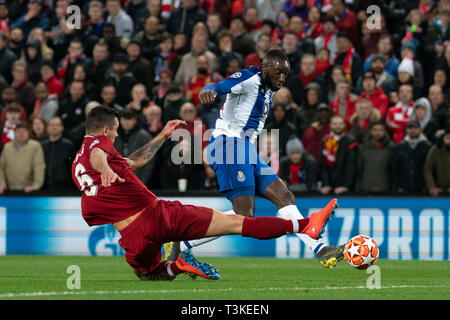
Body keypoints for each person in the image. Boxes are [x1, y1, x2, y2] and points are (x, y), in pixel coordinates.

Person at [71, 106, 339, 280]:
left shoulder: (77, 164)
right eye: (115, 131)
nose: (115, 137)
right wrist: (105, 167)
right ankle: (306, 225)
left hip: (132, 238)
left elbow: (133, 161)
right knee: (239, 221)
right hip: (160, 217)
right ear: (106, 129)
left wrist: (162, 137)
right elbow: (98, 155)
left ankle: (178, 265)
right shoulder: (99, 145)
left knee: (150, 274)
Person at [184, 50, 345, 269]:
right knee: (244, 215)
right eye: (278, 73)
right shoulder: (251, 77)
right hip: (228, 145)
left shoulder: (268, 89)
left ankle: (320, 249)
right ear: (265, 68)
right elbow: (223, 85)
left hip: (246, 149)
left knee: (284, 195)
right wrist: (209, 89)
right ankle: (182, 243)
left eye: (285, 75)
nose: (281, 78)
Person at [0, 122, 45, 194]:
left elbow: (39, 166)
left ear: (28, 133)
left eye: (24, 131)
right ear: (14, 133)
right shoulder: (7, 147)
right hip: (9, 190)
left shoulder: (35, 146)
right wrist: (2, 185)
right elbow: (1, 167)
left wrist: (36, 185)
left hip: (29, 190)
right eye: (18, 131)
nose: (21, 134)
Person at [389, 119, 431, 194]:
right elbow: (394, 169)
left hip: (422, 188)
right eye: (410, 128)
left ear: (420, 130)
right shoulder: (399, 147)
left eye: (415, 128)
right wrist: (397, 186)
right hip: (404, 188)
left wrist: (428, 186)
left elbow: (430, 168)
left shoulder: (428, 147)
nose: (413, 130)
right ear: (406, 130)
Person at [320, 115, 358, 195]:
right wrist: (326, 184)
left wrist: (346, 186)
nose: (338, 126)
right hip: (329, 187)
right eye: (335, 124)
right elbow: (323, 165)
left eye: (340, 124)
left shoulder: (351, 141)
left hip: (345, 188)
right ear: (330, 125)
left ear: (344, 125)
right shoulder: (325, 140)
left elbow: (351, 166)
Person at [356, 121, 394, 193]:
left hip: (385, 189)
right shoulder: (362, 148)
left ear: (384, 132)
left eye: (380, 130)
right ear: (370, 131)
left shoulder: (390, 148)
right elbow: (359, 169)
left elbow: (393, 170)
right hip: (365, 188)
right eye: (375, 130)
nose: (378, 133)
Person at [41, 116, 75, 193]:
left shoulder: (69, 145)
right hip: (45, 188)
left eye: (57, 125)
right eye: (52, 125)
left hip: (64, 188)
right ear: (48, 128)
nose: (54, 127)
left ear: (62, 128)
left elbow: (73, 167)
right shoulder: (42, 145)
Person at [424, 126, 450, 197]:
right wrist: (432, 187)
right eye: (448, 138)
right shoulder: (436, 149)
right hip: (439, 190)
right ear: (443, 138)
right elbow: (428, 169)